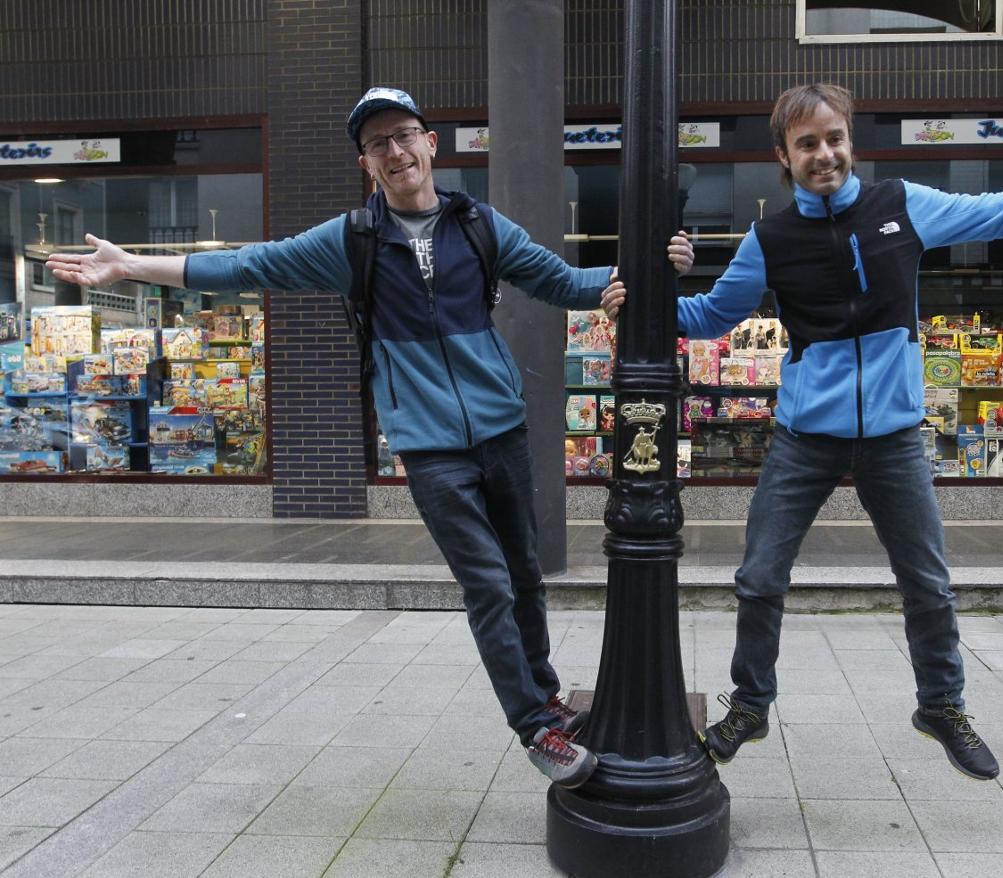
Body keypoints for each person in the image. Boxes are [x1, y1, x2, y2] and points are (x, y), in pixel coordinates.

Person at [49, 86, 694, 789]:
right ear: (367, 163)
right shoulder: (350, 241)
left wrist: (653, 268)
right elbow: (246, 264)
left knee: (525, 580)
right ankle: (535, 727)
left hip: (503, 430)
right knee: (487, 585)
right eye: (378, 143)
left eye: (404, 135)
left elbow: (566, 281)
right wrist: (134, 266)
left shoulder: (479, 226)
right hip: (428, 446)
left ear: (429, 145)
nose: (395, 151)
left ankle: (546, 697)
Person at [602, 83, 1003, 781]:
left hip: (895, 436)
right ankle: (750, 706)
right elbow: (716, 315)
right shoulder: (769, 238)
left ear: (851, 141)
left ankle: (942, 705)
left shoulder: (901, 206)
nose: (825, 154)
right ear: (784, 156)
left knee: (928, 581)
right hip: (805, 436)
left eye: (834, 138)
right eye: (807, 143)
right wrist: (643, 300)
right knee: (758, 576)